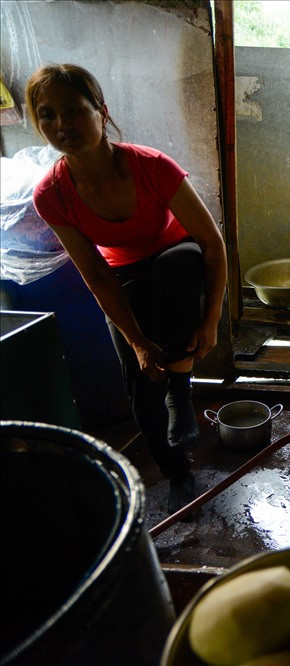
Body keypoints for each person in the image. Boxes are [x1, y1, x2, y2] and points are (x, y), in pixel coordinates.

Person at [27, 64, 227, 512]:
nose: (62, 124)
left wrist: (211, 321)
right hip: (123, 274)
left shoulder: (151, 166)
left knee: (173, 269)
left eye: (74, 110)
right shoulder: (52, 194)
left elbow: (212, 244)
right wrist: (137, 342)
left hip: (178, 255)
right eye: (47, 115)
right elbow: (97, 276)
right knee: (140, 381)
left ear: (101, 112)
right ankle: (177, 472)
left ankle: (181, 387)